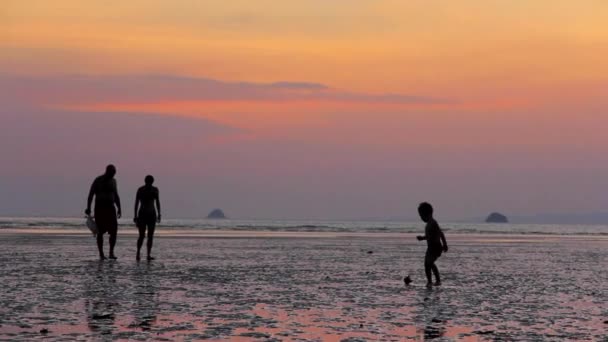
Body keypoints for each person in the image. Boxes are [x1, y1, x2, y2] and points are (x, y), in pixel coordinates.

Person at [86, 164, 122, 260]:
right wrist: (88, 207)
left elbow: (116, 195)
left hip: (111, 208)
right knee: (100, 232)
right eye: (112, 173)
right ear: (107, 171)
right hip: (100, 208)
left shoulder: (114, 181)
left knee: (114, 231)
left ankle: (111, 252)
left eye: (114, 173)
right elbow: (91, 194)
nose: (113, 175)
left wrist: (119, 208)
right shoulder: (98, 180)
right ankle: (101, 254)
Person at [416, 202, 448, 288]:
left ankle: (431, 282)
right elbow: (430, 236)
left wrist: (445, 244)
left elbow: (441, 233)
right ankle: (436, 281)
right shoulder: (429, 224)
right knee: (429, 264)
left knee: (428, 264)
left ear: (428, 214)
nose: (421, 218)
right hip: (430, 248)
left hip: (436, 247)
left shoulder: (433, 223)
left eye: (422, 216)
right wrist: (422, 238)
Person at [134, 175, 161, 261]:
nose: (149, 183)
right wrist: (135, 216)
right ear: (145, 181)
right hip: (142, 214)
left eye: (150, 182)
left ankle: (148, 254)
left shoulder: (155, 190)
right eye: (148, 182)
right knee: (142, 235)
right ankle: (138, 253)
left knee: (150, 236)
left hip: (151, 214)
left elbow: (157, 202)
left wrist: (159, 214)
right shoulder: (141, 190)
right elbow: (136, 203)